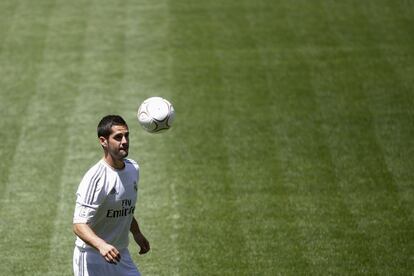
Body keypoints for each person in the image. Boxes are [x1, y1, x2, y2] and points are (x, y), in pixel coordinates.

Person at [73, 115, 150, 276]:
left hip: (120, 254)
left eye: (126, 135)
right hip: (92, 257)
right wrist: (102, 245)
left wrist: (136, 232)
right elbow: (79, 225)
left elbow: (124, 208)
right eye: (118, 137)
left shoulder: (133, 168)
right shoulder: (96, 178)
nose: (125, 141)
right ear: (103, 141)